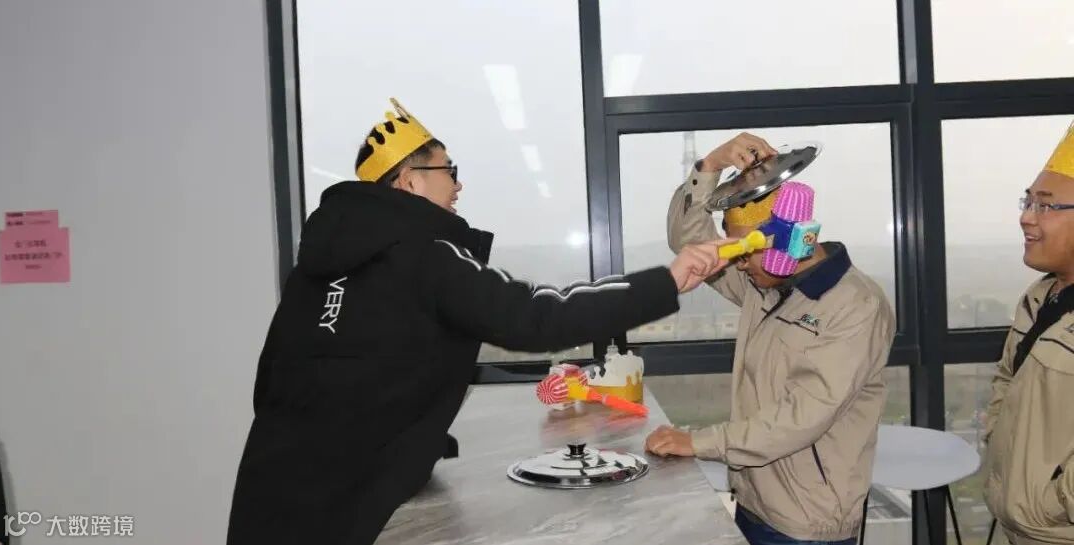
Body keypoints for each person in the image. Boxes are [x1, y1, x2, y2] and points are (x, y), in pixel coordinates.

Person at [226, 98, 734, 545]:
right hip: (352, 503)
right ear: (410, 181)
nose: (458, 183)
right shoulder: (424, 252)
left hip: (270, 487)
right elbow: (539, 317)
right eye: (448, 169)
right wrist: (666, 281)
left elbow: (275, 377)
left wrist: (412, 437)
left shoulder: (317, 266)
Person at [644, 133, 895, 545]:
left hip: (806, 525)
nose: (738, 264)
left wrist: (698, 442)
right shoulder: (761, 286)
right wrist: (711, 165)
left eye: (746, 251)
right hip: (753, 502)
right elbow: (691, 245)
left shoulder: (856, 306)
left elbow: (801, 418)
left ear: (791, 238)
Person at [984, 121, 1074, 545]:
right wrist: (995, 437)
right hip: (1018, 524)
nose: (1026, 217)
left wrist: (1053, 504)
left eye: (1046, 206)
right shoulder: (1039, 296)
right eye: (1028, 201)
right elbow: (1007, 377)